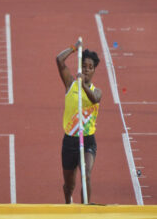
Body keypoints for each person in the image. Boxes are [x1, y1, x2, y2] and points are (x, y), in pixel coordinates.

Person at [56, 40, 102, 203]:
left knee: (86, 175)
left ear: (94, 70)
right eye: (84, 66)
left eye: (90, 67)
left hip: (88, 140)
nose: (87, 70)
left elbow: (95, 99)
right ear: (80, 68)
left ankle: (85, 210)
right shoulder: (70, 84)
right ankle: (69, 204)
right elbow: (59, 60)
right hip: (70, 142)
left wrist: (83, 86)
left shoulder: (96, 91)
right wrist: (74, 48)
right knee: (69, 185)